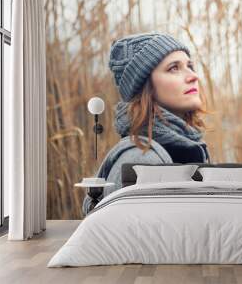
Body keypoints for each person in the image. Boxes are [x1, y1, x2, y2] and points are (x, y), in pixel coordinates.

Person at [82, 32, 210, 214]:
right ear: (145, 87)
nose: (193, 76)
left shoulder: (188, 147)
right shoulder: (141, 158)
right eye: (174, 68)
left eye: (190, 66)